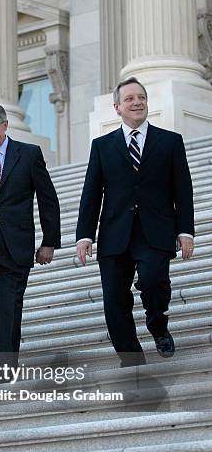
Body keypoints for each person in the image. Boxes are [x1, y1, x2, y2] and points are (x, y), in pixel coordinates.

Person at [76, 77, 194, 367]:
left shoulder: (170, 141)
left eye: (141, 97)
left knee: (154, 282)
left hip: (155, 231)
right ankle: (132, 362)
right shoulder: (102, 146)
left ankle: (157, 325)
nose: (137, 102)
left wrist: (185, 230)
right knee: (114, 302)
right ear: (117, 107)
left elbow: (183, 189)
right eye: (129, 98)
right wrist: (84, 235)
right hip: (115, 234)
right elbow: (91, 193)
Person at [0, 102, 61, 372]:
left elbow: (48, 199)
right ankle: (0, 356)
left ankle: (4, 366)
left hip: (15, 247)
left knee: (8, 308)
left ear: (5, 125)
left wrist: (49, 241)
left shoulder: (28, 155)